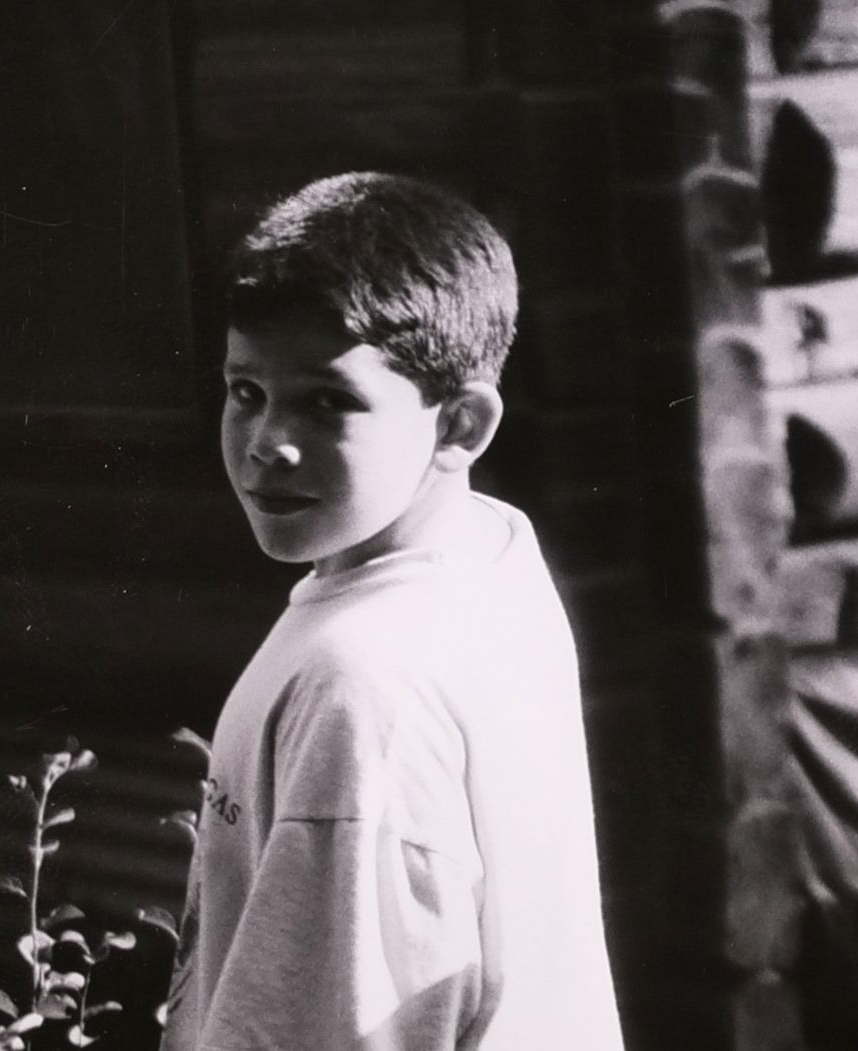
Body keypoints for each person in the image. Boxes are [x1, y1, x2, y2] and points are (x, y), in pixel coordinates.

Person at [162, 172, 625, 1050]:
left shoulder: (365, 683)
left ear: (460, 426)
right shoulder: (488, 552)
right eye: (245, 390)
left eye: (327, 402)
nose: (267, 442)